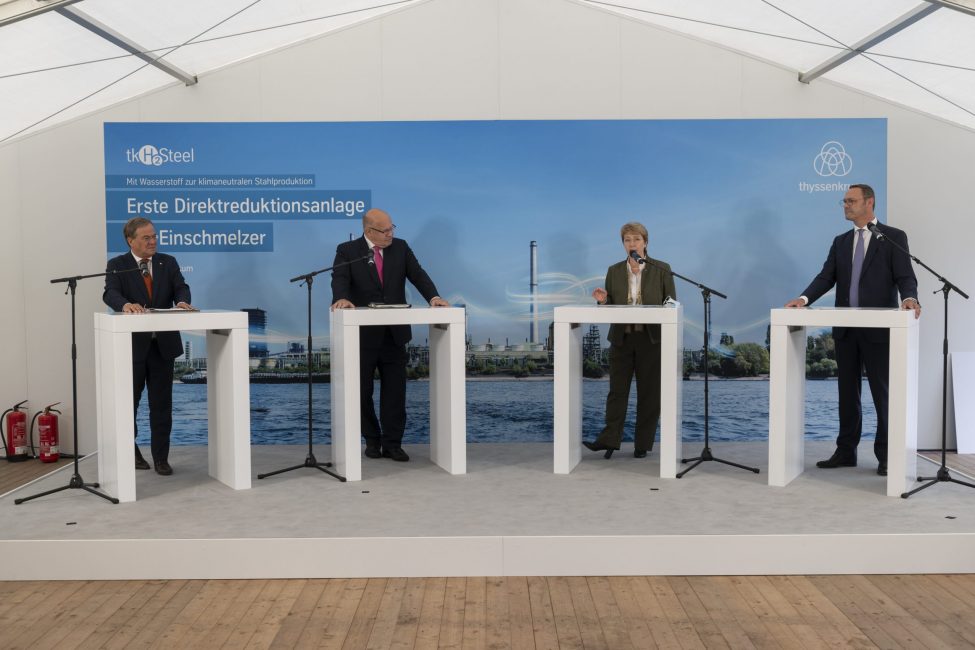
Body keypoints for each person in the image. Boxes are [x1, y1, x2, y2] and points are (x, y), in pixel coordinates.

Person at [785, 184, 920, 477]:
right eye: (844, 201)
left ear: (869, 202)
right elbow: (826, 277)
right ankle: (846, 451)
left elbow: (905, 276)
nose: (845, 205)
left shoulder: (893, 237)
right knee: (847, 393)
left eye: (851, 200)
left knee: (882, 394)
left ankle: (886, 456)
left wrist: (909, 298)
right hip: (846, 330)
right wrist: (804, 299)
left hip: (879, 331)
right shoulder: (841, 241)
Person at [331, 208, 448, 462]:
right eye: (385, 231)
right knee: (361, 393)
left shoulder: (401, 247)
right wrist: (341, 297)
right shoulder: (347, 251)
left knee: (395, 393)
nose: (390, 234)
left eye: (392, 227)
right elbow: (339, 279)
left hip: (394, 334)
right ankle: (372, 440)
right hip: (361, 336)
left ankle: (393, 444)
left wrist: (434, 297)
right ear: (369, 231)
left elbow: (418, 275)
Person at [103, 217, 193, 476]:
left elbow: (181, 287)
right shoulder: (117, 265)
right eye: (146, 237)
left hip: (163, 347)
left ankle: (161, 458)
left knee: (162, 405)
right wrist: (124, 305)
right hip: (132, 346)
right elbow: (110, 293)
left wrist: (183, 301)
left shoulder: (168, 262)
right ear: (131, 240)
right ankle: (130, 452)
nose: (153, 241)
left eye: (154, 236)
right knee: (128, 404)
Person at [584, 222, 677, 459]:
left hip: (651, 339)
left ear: (645, 242)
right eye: (627, 240)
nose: (632, 244)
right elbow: (610, 305)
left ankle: (642, 445)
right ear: (623, 244)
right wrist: (603, 301)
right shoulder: (614, 270)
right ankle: (609, 440)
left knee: (649, 393)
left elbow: (671, 304)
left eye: (636, 239)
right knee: (617, 392)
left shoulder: (661, 268)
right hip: (621, 339)